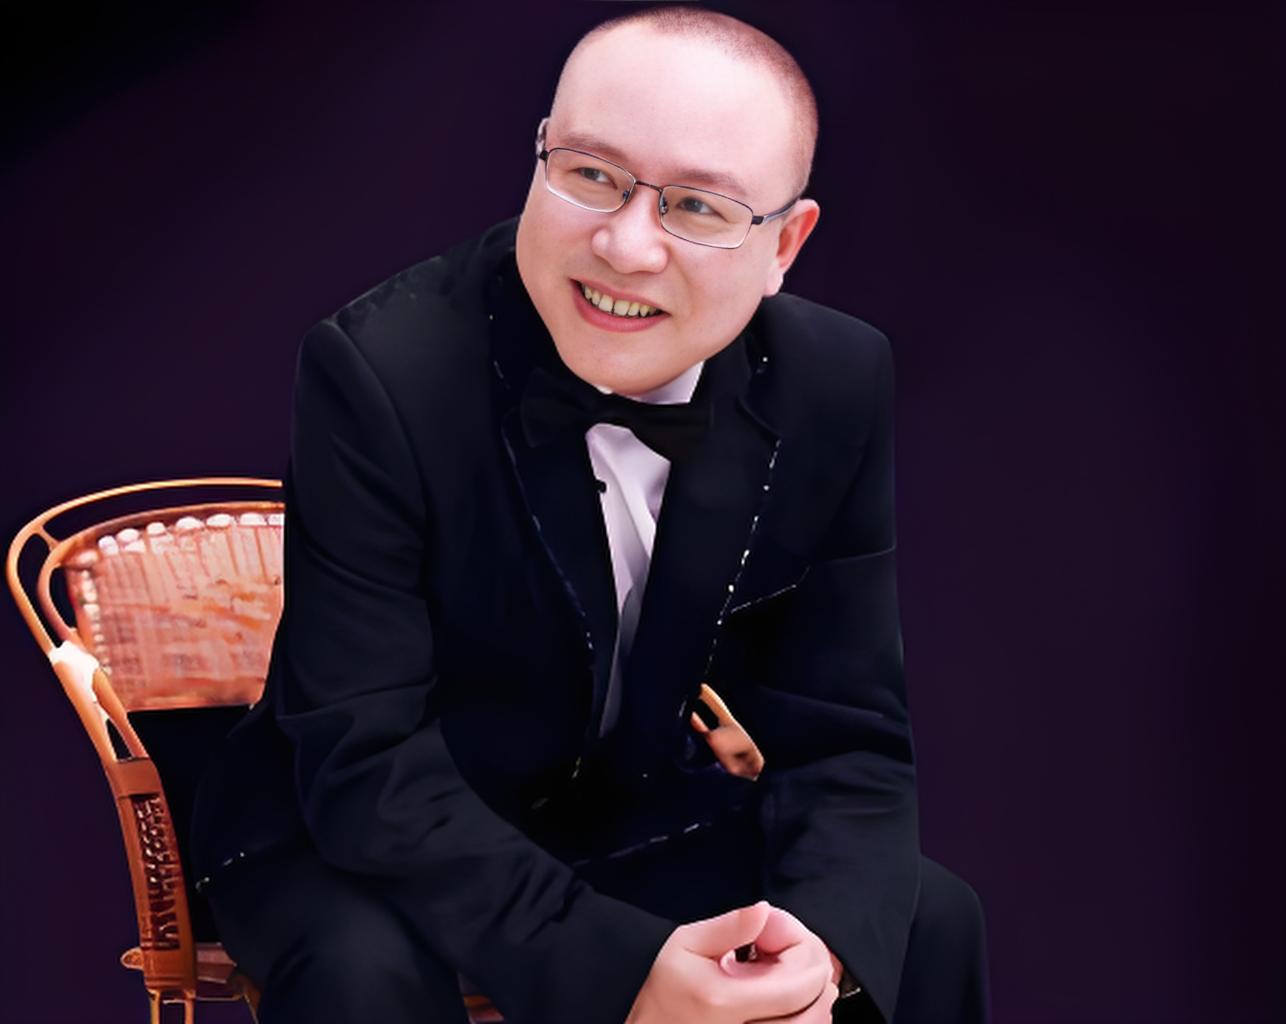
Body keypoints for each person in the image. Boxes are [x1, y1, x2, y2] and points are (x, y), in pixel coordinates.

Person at [191, 7, 988, 1023]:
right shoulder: (381, 370)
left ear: (784, 244)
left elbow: (845, 730)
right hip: (352, 828)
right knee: (365, 973)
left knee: (921, 919)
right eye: (591, 174)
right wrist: (626, 972)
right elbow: (365, 758)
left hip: (619, 813)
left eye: (697, 206)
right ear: (538, 156)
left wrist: (822, 947)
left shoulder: (831, 380)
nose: (624, 245)